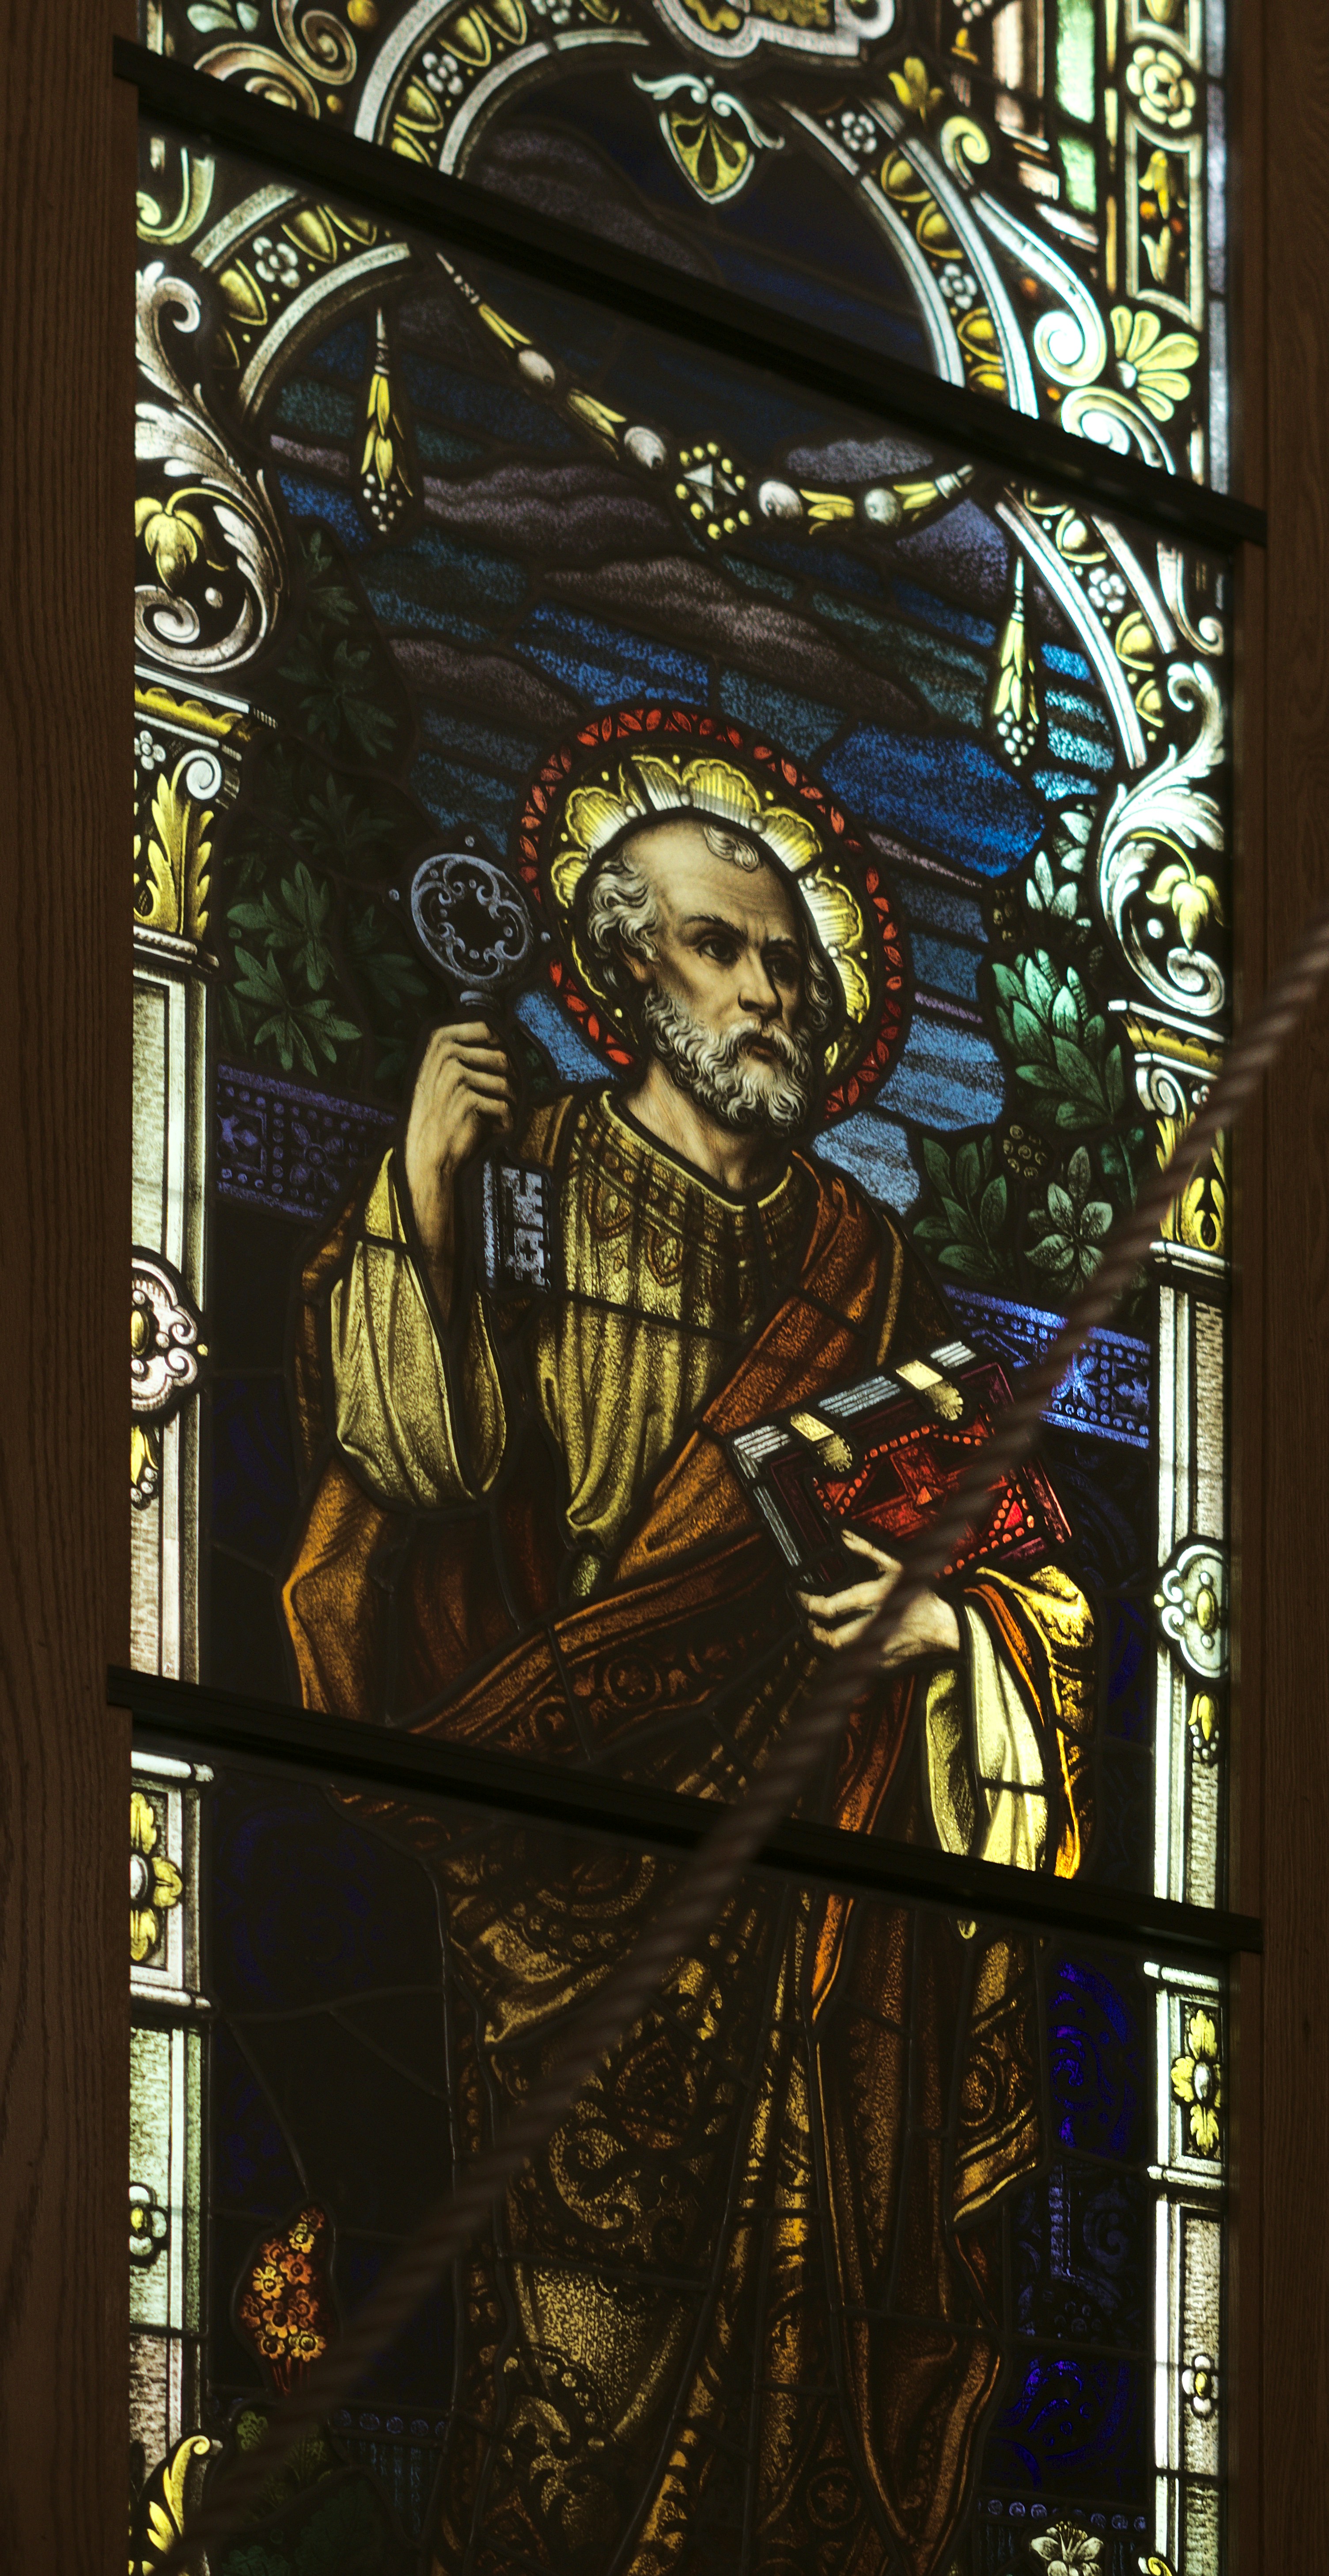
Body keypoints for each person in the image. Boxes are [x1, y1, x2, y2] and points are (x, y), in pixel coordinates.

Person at [283, 730, 1095, 2576]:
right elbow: (422, 1466)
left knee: (823, 2390)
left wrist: (936, 1629)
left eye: (795, 963)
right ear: (622, 971)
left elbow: (1028, 1571)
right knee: (577, 2391)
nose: (774, 990)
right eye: (731, 950)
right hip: (563, 1871)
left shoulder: (870, 1265)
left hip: (822, 1911)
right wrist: (420, 1177)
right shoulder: (521, 1170)